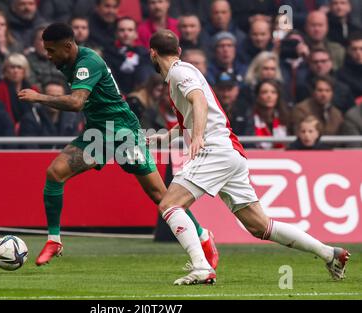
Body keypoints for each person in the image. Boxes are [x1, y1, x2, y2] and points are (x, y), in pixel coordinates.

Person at [148, 29, 349, 285]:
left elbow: (198, 101)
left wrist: (197, 136)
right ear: (178, 50)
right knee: (260, 226)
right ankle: (329, 253)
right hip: (230, 153)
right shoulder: (184, 71)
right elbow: (195, 110)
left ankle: (201, 267)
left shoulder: (178, 72)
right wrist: (166, 138)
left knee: (169, 205)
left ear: (152, 53)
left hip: (215, 150)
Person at [17, 22, 218, 272]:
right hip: (97, 135)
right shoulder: (68, 61)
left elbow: (77, 102)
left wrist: (39, 97)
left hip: (124, 133)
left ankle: (203, 237)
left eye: (51, 50)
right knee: (55, 173)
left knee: (161, 197)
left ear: (68, 46)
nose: (48, 55)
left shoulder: (88, 62)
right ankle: (54, 240)